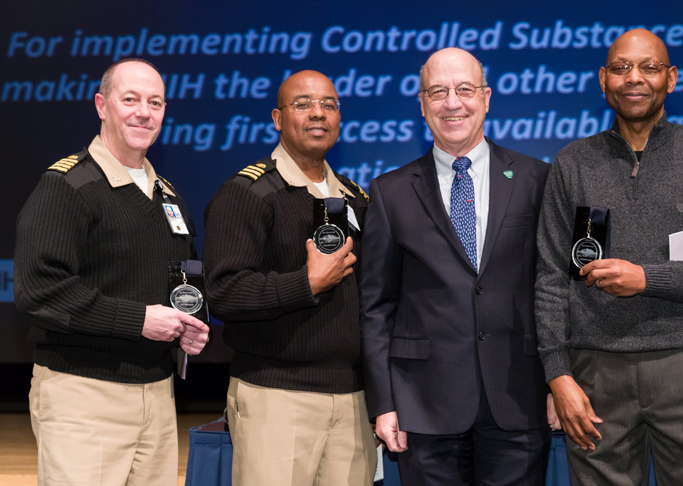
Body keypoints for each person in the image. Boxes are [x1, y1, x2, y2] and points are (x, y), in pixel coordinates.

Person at [536, 29, 683, 486]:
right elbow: (551, 278)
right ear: (603, 79)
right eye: (621, 68)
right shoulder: (571, 163)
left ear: (671, 79)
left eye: (649, 67)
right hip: (595, 374)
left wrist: (645, 279)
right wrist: (558, 374)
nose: (634, 79)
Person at [360, 47, 555, 485]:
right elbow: (375, 307)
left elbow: (555, 289)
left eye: (464, 89)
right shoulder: (389, 192)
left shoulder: (536, 179)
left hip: (518, 397)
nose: (453, 102)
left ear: (486, 97)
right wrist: (385, 402)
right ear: (422, 103)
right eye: (438, 91)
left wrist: (558, 382)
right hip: (424, 405)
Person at [15, 58, 210, 485]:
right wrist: (139, 320)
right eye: (131, 99)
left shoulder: (167, 195)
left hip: (157, 395)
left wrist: (188, 323)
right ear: (102, 106)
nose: (144, 111)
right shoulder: (67, 186)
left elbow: (179, 278)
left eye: (155, 102)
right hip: (83, 393)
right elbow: (39, 288)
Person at [203, 70, 376, 486]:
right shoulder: (248, 193)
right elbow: (223, 292)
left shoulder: (355, 198)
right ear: (278, 118)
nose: (318, 113)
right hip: (276, 399)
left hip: (353, 401)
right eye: (303, 104)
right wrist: (306, 284)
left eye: (329, 104)